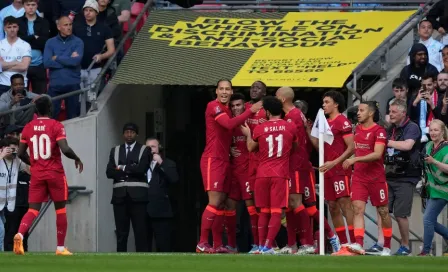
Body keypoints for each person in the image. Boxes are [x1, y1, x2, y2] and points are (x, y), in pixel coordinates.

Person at [196, 79, 261, 254]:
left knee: (222, 203)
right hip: (213, 159)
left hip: (225, 161)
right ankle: (202, 242)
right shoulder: (213, 106)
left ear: (231, 92)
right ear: (216, 91)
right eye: (221, 89)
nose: (224, 92)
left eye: (227, 89)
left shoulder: (227, 110)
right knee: (215, 201)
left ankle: (218, 244)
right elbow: (229, 124)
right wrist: (250, 111)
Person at [13, 95, 84, 255]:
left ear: (36, 110)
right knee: (60, 210)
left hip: (37, 174)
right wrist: (77, 158)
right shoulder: (56, 125)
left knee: (32, 210)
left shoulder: (28, 127)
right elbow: (65, 149)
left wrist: (34, 163)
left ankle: (19, 235)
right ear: (51, 108)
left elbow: (20, 153)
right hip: (55, 173)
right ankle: (60, 248)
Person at [277, 87, 340, 255]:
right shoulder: (294, 116)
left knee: (303, 205)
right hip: (295, 166)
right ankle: (292, 244)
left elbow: (292, 143)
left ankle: (311, 242)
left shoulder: (293, 116)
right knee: (291, 205)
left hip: (298, 166)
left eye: (277, 96)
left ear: (282, 99)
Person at [241, 96, 297, 254]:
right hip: (280, 174)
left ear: (266, 111)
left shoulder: (260, 128)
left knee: (264, 211)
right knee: (277, 211)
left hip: (262, 174)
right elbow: (295, 146)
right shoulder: (289, 127)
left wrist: (248, 134)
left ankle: (260, 246)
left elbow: (251, 147)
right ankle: (267, 246)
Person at [366, 99, 421, 256]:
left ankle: (404, 246)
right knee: (382, 210)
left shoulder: (412, 127)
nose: (391, 114)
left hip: (406, 177)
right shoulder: (390, 129)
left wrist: (385, 141)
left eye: (394, 112)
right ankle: (381, 243)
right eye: (390, 111)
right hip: (388, 175)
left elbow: (407, 146)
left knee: (400, 214)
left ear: (403, 113)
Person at [308, 91, 355, 255]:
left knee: (345, 204)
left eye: (327, 102)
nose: (323, 105)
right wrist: (309, 131)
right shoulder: (326, 124)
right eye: (323, 102)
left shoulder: (343, 121)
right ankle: (342, 244)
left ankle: (354, 244)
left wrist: (335, 162)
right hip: (327, 170)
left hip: (340, 170)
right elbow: (322, 149)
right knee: (333, 207)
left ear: (336, 104)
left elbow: (352, 147)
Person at [342, 101, 392, 256]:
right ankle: (358, 244)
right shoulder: (357, 129)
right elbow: (353, 149)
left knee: (383, 211)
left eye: (361, 110)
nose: (358, 113)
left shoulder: (379, 131)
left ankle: (387, 247)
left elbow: (377, 154)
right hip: (359, 177)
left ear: (370, 113)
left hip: (376, 178)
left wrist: (355, 160)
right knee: (357, 209)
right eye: (358, 110)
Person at [106, 123, 151, 252]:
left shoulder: (144, 150)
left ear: (136, 134)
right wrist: (132, 168)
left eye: (132, 132)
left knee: (140, 232)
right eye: (126, 132)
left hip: (139, 198)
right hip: (120, 197)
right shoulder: (115, 150)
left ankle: (142, 262)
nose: (129, 134)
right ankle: (120, 262)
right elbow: (109, 172)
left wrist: (122, 168)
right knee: (121, 233)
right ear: (123, 134)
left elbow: (142, 169)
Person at [225, 93, 254, 253]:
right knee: (229, 207)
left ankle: (258, 244)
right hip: (233, 170)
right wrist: (229, 149)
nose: (236, 108)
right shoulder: (229, 123)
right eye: (233, 106)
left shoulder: (251, 122)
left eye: (238, 105)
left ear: (245, 106)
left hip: (248, 171)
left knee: (252, 208)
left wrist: (249, 136)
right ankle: (231, 245)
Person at [43, 16, 83, 119]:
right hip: (55, 85)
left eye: (70, 24)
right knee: (51, 117)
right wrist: (68, 59)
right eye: (66, 25)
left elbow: (76, 61)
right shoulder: (50, 42)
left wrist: (57, 58)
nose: (69, 27)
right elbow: (47, 63)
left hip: (73, 84)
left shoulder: (78, 42)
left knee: (73, 118)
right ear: (59, 27)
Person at [420, 119, 448, 256]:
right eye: (431, 130)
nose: (433, 133)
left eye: (436, 130)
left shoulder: (447, 148)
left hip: (443, 190)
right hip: (431, 189)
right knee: (430, 220)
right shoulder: (428, 145)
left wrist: (434, 161)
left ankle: (426, 251)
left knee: (427, 220)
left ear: (442, 132)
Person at [145, 137, 178, 252]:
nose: (151, 149)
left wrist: (161, 163)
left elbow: (174, 179)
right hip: (144, 211)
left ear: (159, 148)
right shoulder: (142, 164)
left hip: (161, 211)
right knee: (144, 245)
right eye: (148, 147)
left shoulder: (168, 163)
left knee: (163, 244)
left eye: (153, 146)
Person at [0, 136, 30, 252]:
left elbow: (30, 169)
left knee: (4, 230)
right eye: (11, 149)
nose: (13, 152)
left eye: (15, 150)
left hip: (7, 202)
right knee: (1, 231)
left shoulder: (17, 161)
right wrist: (1, 155)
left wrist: (23, 155)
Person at [18, 0, 50, 94]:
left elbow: (44, 42)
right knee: (21, 97)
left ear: (37, 6)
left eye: (33, 5)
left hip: (39, 65)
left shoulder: (44, 22)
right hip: (21, 64)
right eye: (28, 5)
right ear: (23, 5)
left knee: (40, 97)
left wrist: (26, 40)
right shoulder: (18, 22)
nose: (31, 7)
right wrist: (33, 37)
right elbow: (18, 42)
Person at [0, 16, 31, 95]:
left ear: (18, 28)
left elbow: (24, 67)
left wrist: (4, 66)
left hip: (20, 85)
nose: (12, 29)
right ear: (4, 28)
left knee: (21, 107)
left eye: (14, 26)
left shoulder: (25, 45)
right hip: (3, 84)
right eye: (9, 27)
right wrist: (16, 62)